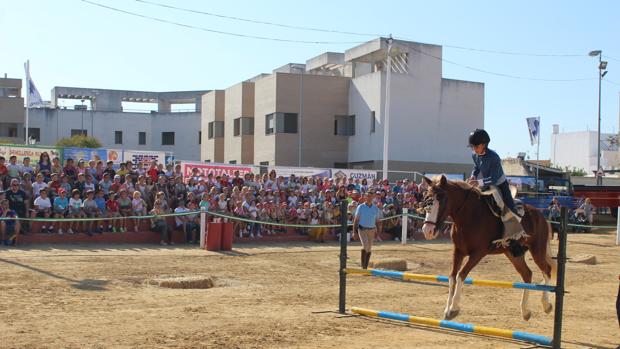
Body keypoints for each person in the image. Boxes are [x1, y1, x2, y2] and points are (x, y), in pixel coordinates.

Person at [467, 128, 526, 245]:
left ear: (484, 144)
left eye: (476, 146)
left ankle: (515, 235)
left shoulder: (494, 157)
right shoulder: (475, 155)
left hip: (500, 184)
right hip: (484, 183)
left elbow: (493, 179)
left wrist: (478, 182)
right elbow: (476, 168)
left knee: (509, 206)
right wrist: (473, 176)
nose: (474, 149)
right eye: (472, 147)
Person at [353, 193, 380, 269]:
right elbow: (356, 220)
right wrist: (354, 232)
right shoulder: (360, 207)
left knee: (369, 248)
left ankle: (365, 266)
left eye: (371, 196)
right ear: (365, 197)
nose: (369, 198)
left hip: (372, 230)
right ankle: (363, 266)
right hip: (362, 229)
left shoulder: (375, 208)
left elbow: (377, 221)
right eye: (368, 196)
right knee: (366, 246)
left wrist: (378, 232)